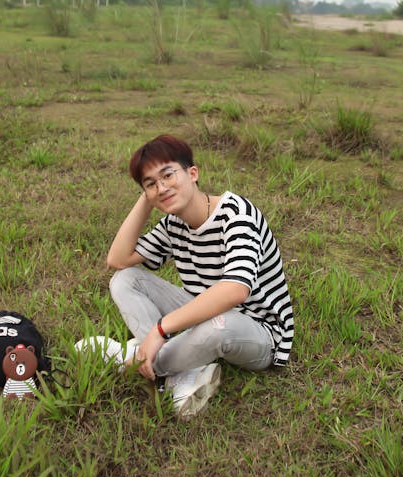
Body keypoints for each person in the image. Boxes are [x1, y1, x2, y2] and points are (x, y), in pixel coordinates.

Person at [79, 134, 294, 418]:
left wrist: (159, 330)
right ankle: (182, 367)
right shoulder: (173, 225)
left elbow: (235, 291)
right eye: (151, 184)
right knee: (125, 279)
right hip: (205, 312)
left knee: (221, 325)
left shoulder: (237, 214)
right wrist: (147, 201)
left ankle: (131, 359)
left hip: (259, 333)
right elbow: (117, 259)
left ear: (193, 173)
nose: (163, 187)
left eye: (168, 175)